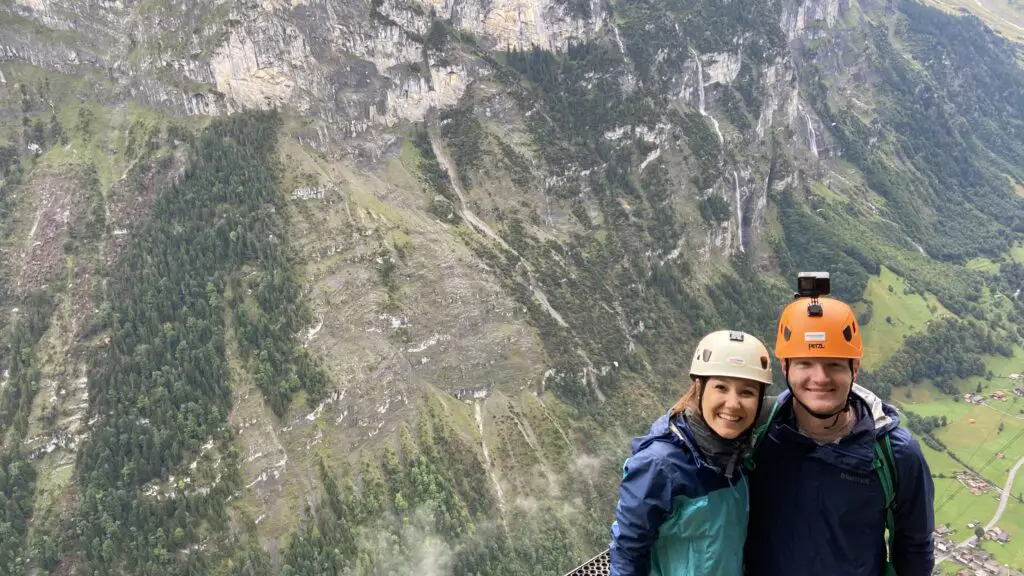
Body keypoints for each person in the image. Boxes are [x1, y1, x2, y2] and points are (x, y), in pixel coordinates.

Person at [743, 289, 935, 576]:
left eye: (834, 364)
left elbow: (915, 550)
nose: (820, 378)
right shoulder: (755, 433)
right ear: (785, 367)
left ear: (854, 368)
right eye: (805, 363)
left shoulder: (895, 454)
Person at [609, 330, 774, 575]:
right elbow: (627, 553)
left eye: (747, 392)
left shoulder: (740, 452)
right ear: (699, 388)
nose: (732, 403)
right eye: (721, 387)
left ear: (760, 400)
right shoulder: (660, 465)